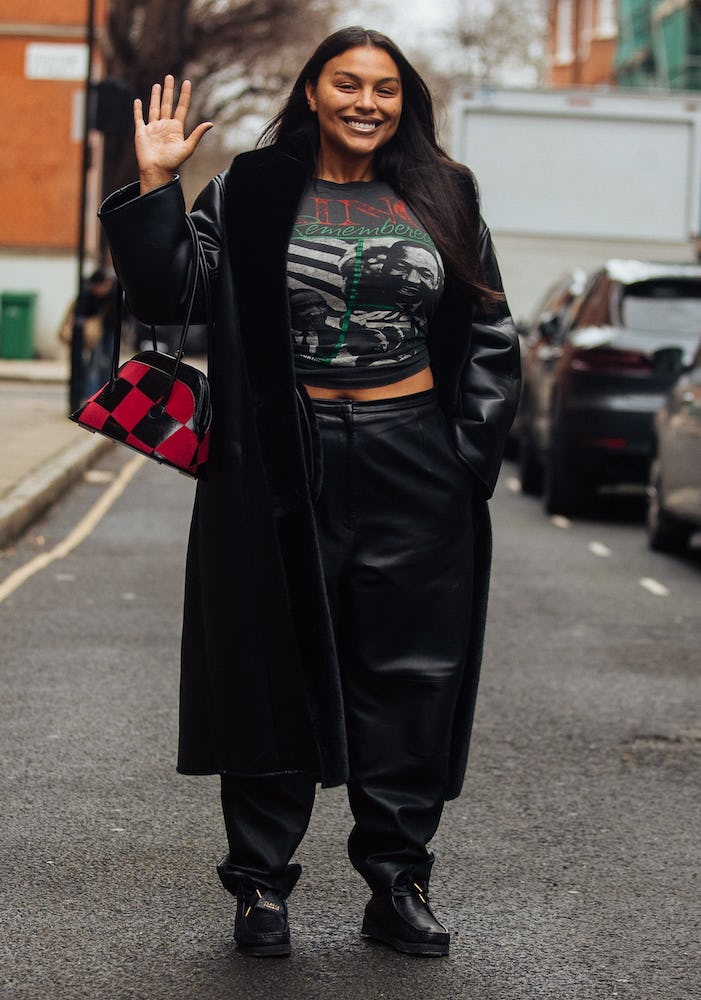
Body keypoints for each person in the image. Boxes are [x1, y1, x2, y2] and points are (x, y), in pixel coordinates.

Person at [98, 26, 521, 958]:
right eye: (348, 84)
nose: (367, 103)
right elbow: (173, 294)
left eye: (385, 89)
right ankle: (259, 889)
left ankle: (398, 882)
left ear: (402, 102)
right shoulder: (248, 190)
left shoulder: (444, 194)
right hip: (277, 462)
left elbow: (490, 328)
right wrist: (159, 187)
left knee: (411, 674)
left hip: (415, 462)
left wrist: (465, 457)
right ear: (314, 92)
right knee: (265, 663)